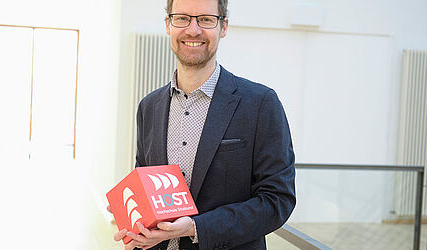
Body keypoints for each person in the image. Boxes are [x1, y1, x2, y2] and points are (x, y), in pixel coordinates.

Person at [111, 0, 296, 249]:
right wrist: (132, 215)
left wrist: (196, 228)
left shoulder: (261, 104)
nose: (193, 30)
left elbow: (277, 201)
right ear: (168, 24)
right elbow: (146, 185)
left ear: (223, 27)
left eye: (206, 19)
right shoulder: (149, 107)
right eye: (182, 18)